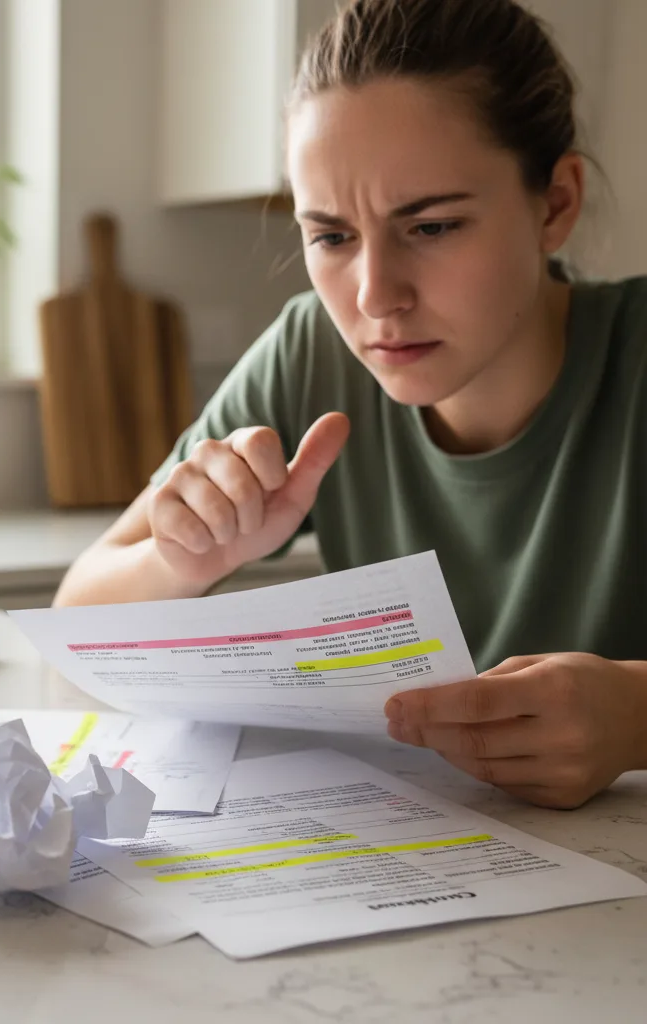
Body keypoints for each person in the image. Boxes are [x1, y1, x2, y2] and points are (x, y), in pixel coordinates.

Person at [54, 0, 647, 809]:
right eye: (331, 237)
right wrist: (183, 559)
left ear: (555, 204)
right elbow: (76, 621)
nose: (374, 297)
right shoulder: (312, 352)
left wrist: (638, 714)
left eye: (433, 227)